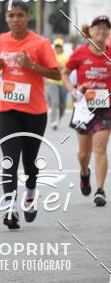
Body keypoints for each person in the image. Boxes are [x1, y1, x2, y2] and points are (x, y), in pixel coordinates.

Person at [0, 0, 60, 229]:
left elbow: (56, 74)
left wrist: (31, 66)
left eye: (20, 15)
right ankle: (11, 210)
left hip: (34, 111)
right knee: (9, 161)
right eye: (11, 15)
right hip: (7, 109)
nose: (15, 20)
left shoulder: (40, 43)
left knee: (29, 163)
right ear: (6, 18)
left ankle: (30, 191)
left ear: (27, 17)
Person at [62, 16, 111, 207]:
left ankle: (100, 190)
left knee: (100, 148)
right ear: (90, 31)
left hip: (105, 107)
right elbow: (64, 73)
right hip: (84, 108)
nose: (101, 31)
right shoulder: (80, 52)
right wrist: (73, 91)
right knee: (84, 153)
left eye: (105, 28)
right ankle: (84, 172)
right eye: (97, 27)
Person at [46, 37, 69, 129]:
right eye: (56, 46)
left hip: (63, 82)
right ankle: (53, 121)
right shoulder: (51, 56)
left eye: (59, 46)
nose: (58, 48)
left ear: (62, 47)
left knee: (62, 104)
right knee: (55, 102)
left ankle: (59, 118)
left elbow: (68, 69)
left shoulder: (66, 57)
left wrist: (62, 67)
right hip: (52, 81)